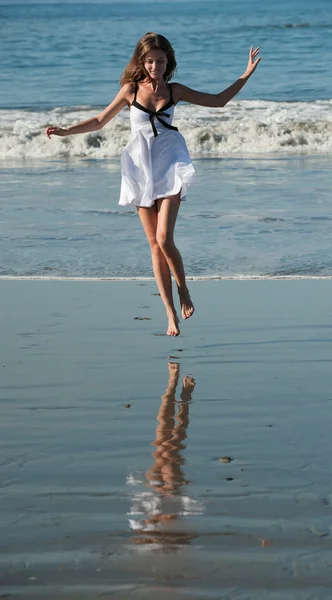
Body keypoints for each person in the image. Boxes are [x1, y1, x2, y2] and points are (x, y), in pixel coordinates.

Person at [46, 32, 261, 337]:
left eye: (160, 60)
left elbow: (218, 101)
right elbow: (99, 120)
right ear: (142, 61)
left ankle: (184, 290)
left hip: (171, 163)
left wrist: (245, 75)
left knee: (164, 238)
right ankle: (170, 313)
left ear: (167, 61)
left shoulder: (175, 90)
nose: (155, 66)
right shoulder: (130, 90)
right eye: (149, 60)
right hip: (139, 167)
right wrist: (66, 131)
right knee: (154, 246)